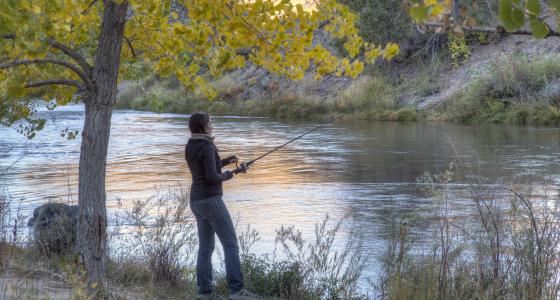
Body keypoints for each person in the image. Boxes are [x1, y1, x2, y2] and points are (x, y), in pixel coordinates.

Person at [185, 112, 256, 300]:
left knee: (205, 248)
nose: (212, 124)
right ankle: (236, 291)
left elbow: (204, 168)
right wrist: (231, 173)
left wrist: (224, 161)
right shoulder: (207, 146)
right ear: (203, 126)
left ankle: (204, 292)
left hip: (196, 201)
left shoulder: (191, 145)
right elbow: (211, 177)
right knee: (231, 244)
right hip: (211, 201)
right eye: (210, 122)